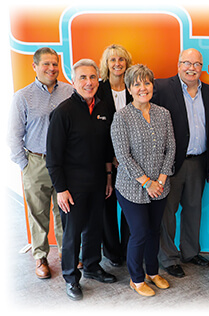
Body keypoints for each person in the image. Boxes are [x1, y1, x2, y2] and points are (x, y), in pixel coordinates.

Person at [46, 59, 116, 301]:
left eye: (93, 77)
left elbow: (107, 148)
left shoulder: (104, 109)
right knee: (72, 234)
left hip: (98, 182)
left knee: (94, 228)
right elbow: (53, 158)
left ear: (98, 80)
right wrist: (61, 189)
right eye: (83, 78)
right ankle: (70, 277)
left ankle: (92, 267)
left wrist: (108, 177)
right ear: (73, 82)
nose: (89, 82)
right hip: (72, 187)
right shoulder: (63, 113)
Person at [152, 48, 209, 278]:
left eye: (197, 64)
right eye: (187, 63)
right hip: (169, 163)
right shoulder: (161, 88)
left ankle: (190, 253)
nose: (192, 68)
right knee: (167, 213)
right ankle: (169, 258)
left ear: (202, 67)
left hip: (199, 161)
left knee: (193, 209)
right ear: (178, 64)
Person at [7, 47, 73, 279]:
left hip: (65, 164)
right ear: (34, 66)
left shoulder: (70, 92)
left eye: (54, 64)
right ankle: (41, 256)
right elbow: (14, 136)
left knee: (65, 211)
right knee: (38, 213)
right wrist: (26, 164)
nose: (51, 68)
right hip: (37, 162)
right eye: (46, 64)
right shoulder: (22, 96)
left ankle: (68, 253)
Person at [111, 64, 176, 297]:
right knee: (138, 233)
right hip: (132, 188)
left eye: (146, 82)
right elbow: (123, 156)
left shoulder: (163, 113)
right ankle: (136, 278)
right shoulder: (121, 117)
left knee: (153, 231)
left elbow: (171, 149)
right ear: (129, 89)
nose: (142, 87)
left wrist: (159, 180)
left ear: (152, 86)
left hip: (161, 186)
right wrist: (147, 182)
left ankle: (152, 272)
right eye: (136, 84)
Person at [96, 44, 134, 267]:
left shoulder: (134, 87)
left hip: (132, 158)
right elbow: (97, 128)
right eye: (112, 60)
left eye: (121, 59)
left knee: (131, 206)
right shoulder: (98, 90)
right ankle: (112, 254)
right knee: (106, 207)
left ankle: (130, 250)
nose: (117, 63)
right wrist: (111, 157)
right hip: (105, 158)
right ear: (106, 64)